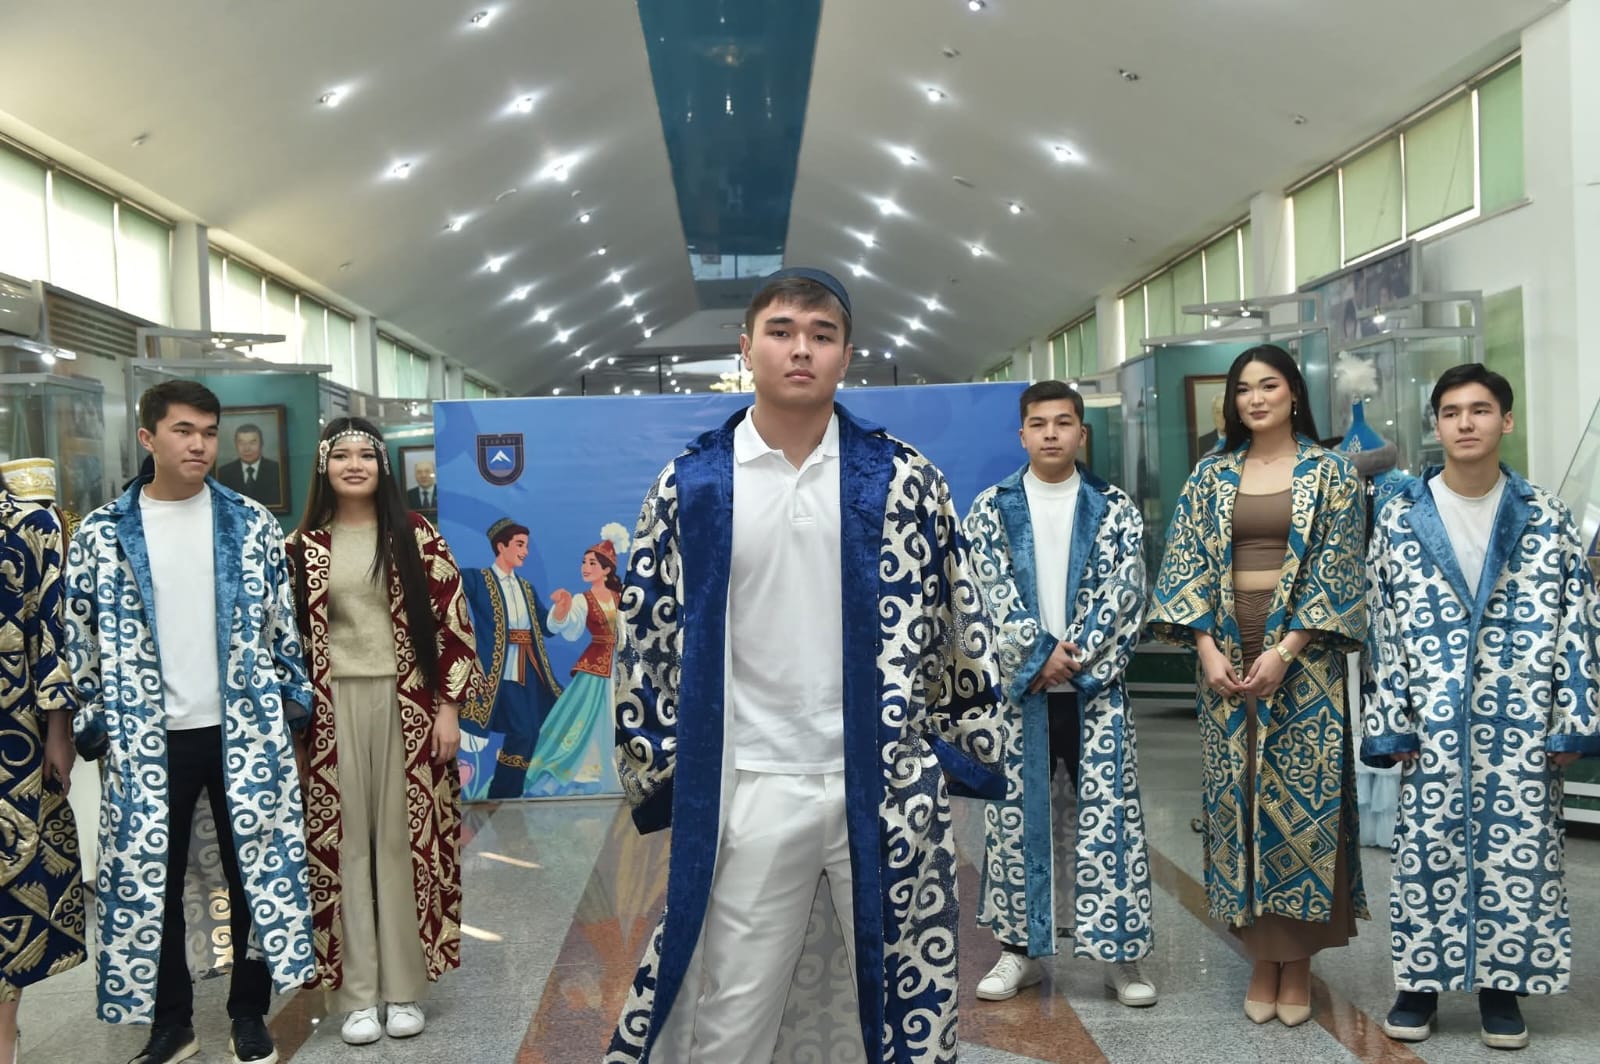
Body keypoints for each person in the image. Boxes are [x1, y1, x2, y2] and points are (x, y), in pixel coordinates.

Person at [606, 268, 1005, 1064]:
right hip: (751, 782)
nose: (801, 350)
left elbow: (957, 618)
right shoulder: (693, 486)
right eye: (782, 331)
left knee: (903, 1001)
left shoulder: (904, 480)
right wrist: (665, 769)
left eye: (822, 336)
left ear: (847, 356)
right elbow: (645, 638)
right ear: (746, 347)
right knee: (733, 1009)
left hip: (885, 782)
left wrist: (944, 752)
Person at [63, 379, 314, 1064]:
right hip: (146, 737)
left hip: (243, 730)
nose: (199, 444)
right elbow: (78, 632)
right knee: (153, 880)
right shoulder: (103, 534)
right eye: (183, 430)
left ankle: (248, 1011)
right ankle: (171, 1021)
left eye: (208, 432)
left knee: (253, 870)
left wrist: (292, 700)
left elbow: (282, 624)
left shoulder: (250, 522)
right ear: (148, 437)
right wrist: (93, 717)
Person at [1363, 364, 1600, 1050]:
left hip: (1519, 715)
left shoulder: (1545, 516)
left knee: (1519, 851)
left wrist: (1572, 718)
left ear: (1506, 420)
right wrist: (1392, 720)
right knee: (1425, 848)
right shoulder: (1402, 517)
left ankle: (1503, 987)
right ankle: (1420, 984)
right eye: (1451, 412)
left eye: (1480, 409)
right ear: (1436, 426)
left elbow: (1578, 621)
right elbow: (1383, 626)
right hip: (1433, 715)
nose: (1465, 423)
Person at [1148, 344, 1366, 1028]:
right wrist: (1206, 649)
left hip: (1303, 659)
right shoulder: (1210, 475)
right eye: (1244, 389)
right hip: (1227, 653)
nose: (1256, 398)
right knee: (1236, 801)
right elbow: (1183, 565)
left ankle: (1295, 961)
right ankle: (1260, 958)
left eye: (1269, 385)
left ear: (1294, 392)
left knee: (1301, 801)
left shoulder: (1332, 473)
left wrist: (1287, 649)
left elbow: (1338, 570)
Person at [286, 417, 484, 1045]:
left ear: (382, 466)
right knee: (341, 846)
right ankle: (355, 995)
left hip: (410, 705)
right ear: (324, 466)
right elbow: (283, 641)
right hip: (328, 710)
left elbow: (455, 625)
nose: (354, 465)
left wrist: (449, 708)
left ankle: (403, 988)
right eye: (341, 455)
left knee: (403, 844)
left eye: (365, 455)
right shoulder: (302, 546)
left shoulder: (415, 535)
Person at [961, 380, 1157, 1007]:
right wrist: (1036, 655)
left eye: (1063, 422)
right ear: (1022, 434)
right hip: (1023, 698)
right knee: (1015, 823)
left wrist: (1073, 657)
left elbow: (1126, 591)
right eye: (1039, 424)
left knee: (1110, 822)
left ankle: (1119, 956)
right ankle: (1019, 951)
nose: (1051, 433)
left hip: (1095, 696)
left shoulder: (1115, 508)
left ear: (1081, 433)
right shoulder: (991, 508)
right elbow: (983, 591)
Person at [0, 464, 86, 1064]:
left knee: (11, 884)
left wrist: (60, 729)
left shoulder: (29, 524)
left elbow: (52, 630)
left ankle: (4, 1035)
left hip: (13, 737)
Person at [458, 519, 563, 799]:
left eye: (526, 546)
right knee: (521, 730)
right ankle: (504, 794)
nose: (525, 551)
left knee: (527, 731)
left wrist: (561, 610)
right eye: (520, 545)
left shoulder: (526, 587)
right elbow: (446, 581)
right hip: (496, 673)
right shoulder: (478, 579)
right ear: (501, 546)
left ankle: (504, 793)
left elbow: (546, 626)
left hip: (526, 670)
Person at [525, 524, 629, 796]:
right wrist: (562, 609)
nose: (585, 567)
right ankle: (582, 774)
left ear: (606, 569)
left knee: (617, 718)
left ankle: (618, 773)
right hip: (595, 668)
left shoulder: (622, 597)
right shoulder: (583, 600)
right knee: (584, 719)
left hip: (621, 668)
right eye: (584, 562)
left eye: (592, 563)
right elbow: (568, 629)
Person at [215, 422, 284, 509]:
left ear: (261, 444)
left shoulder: (277, 470)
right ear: (236, 445)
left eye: (252, 443)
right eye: (241, 443)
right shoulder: (223, 473)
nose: (247, 449)